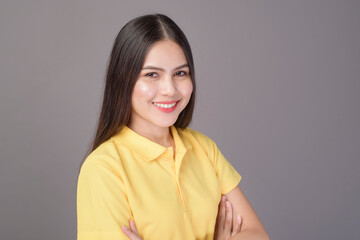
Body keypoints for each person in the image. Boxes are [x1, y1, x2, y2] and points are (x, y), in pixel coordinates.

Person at [77, 14, 269, 240]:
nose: (170, 89)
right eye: (151, 74)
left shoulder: (204, 148)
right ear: (123, 79)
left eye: (180, 73)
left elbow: (257, 234)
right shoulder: (104, 168)